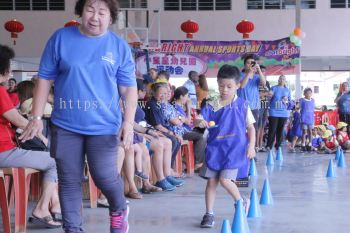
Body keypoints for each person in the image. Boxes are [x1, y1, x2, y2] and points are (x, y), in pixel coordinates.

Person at [19, 1, 138, 232]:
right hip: (65, 125)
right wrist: (34, 118)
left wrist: (129, 122)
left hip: (103, 126)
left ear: (110, 18)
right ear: (81, 13)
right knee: (69, 180)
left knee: (104, 176)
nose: (95, 17)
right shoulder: (61, 39)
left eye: (102, 12)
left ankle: (119, 209)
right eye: (90, 10)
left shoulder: (118, 46)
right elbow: (45, 79)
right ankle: (72, 228)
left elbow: (128, 88)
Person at [0, 44, 62, 228]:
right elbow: (17, 120)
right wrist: (41, 136)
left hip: (6, 150)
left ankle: (55, 205)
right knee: (55, 160)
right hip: (3, 152)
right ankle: (43, 208)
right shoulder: (0, 91)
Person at [199, 64, 256, 228]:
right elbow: (200, 119)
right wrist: (199, 121)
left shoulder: (243, 105)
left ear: (238, 85)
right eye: (221, 86)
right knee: (211, 182)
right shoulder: (213, 103)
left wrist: (251, 146)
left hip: (235, 150)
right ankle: (209, 213)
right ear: (217, 84)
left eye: (229, 86)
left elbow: (251, 127)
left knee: (225, 180)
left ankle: (240, 201)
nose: (224, 90)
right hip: (215, 149)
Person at [173, 86, 207, 168]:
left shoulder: (179, 107)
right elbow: (188, 122)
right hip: (181, 132)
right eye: (187, 96)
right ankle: (198, 162)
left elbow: (188, 122)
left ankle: (192, 160)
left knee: (205, 131)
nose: (188, 98)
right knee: (201, 136)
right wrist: (189, 108)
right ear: (181, 96)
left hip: (186, 130)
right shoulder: (175, 107)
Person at [267, 75, 292, 151]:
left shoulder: (287, 90)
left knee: (280, 130)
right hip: (274, 111)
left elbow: (290, 102)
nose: (281, 80)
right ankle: (269, 146)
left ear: (285, 81)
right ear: (278, 80)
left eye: (283, 79)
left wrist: (286, 100)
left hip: (284, 112)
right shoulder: (273, 88)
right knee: (272, 129)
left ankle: (278, 146)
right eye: (280, 79)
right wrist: (269, 95)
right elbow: (268, 98)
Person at [257, 65, 271, 152]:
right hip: (258, 106)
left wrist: (266, 94)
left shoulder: (267, 82)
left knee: (262, 126)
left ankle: (261, 144)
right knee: (257, 127)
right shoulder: (255, 81)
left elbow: (269, 93)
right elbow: (256, 95)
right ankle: (256, 146)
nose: (262, 72)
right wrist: (265, 94)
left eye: (264, 71)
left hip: (265, 105)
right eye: (260, 71)